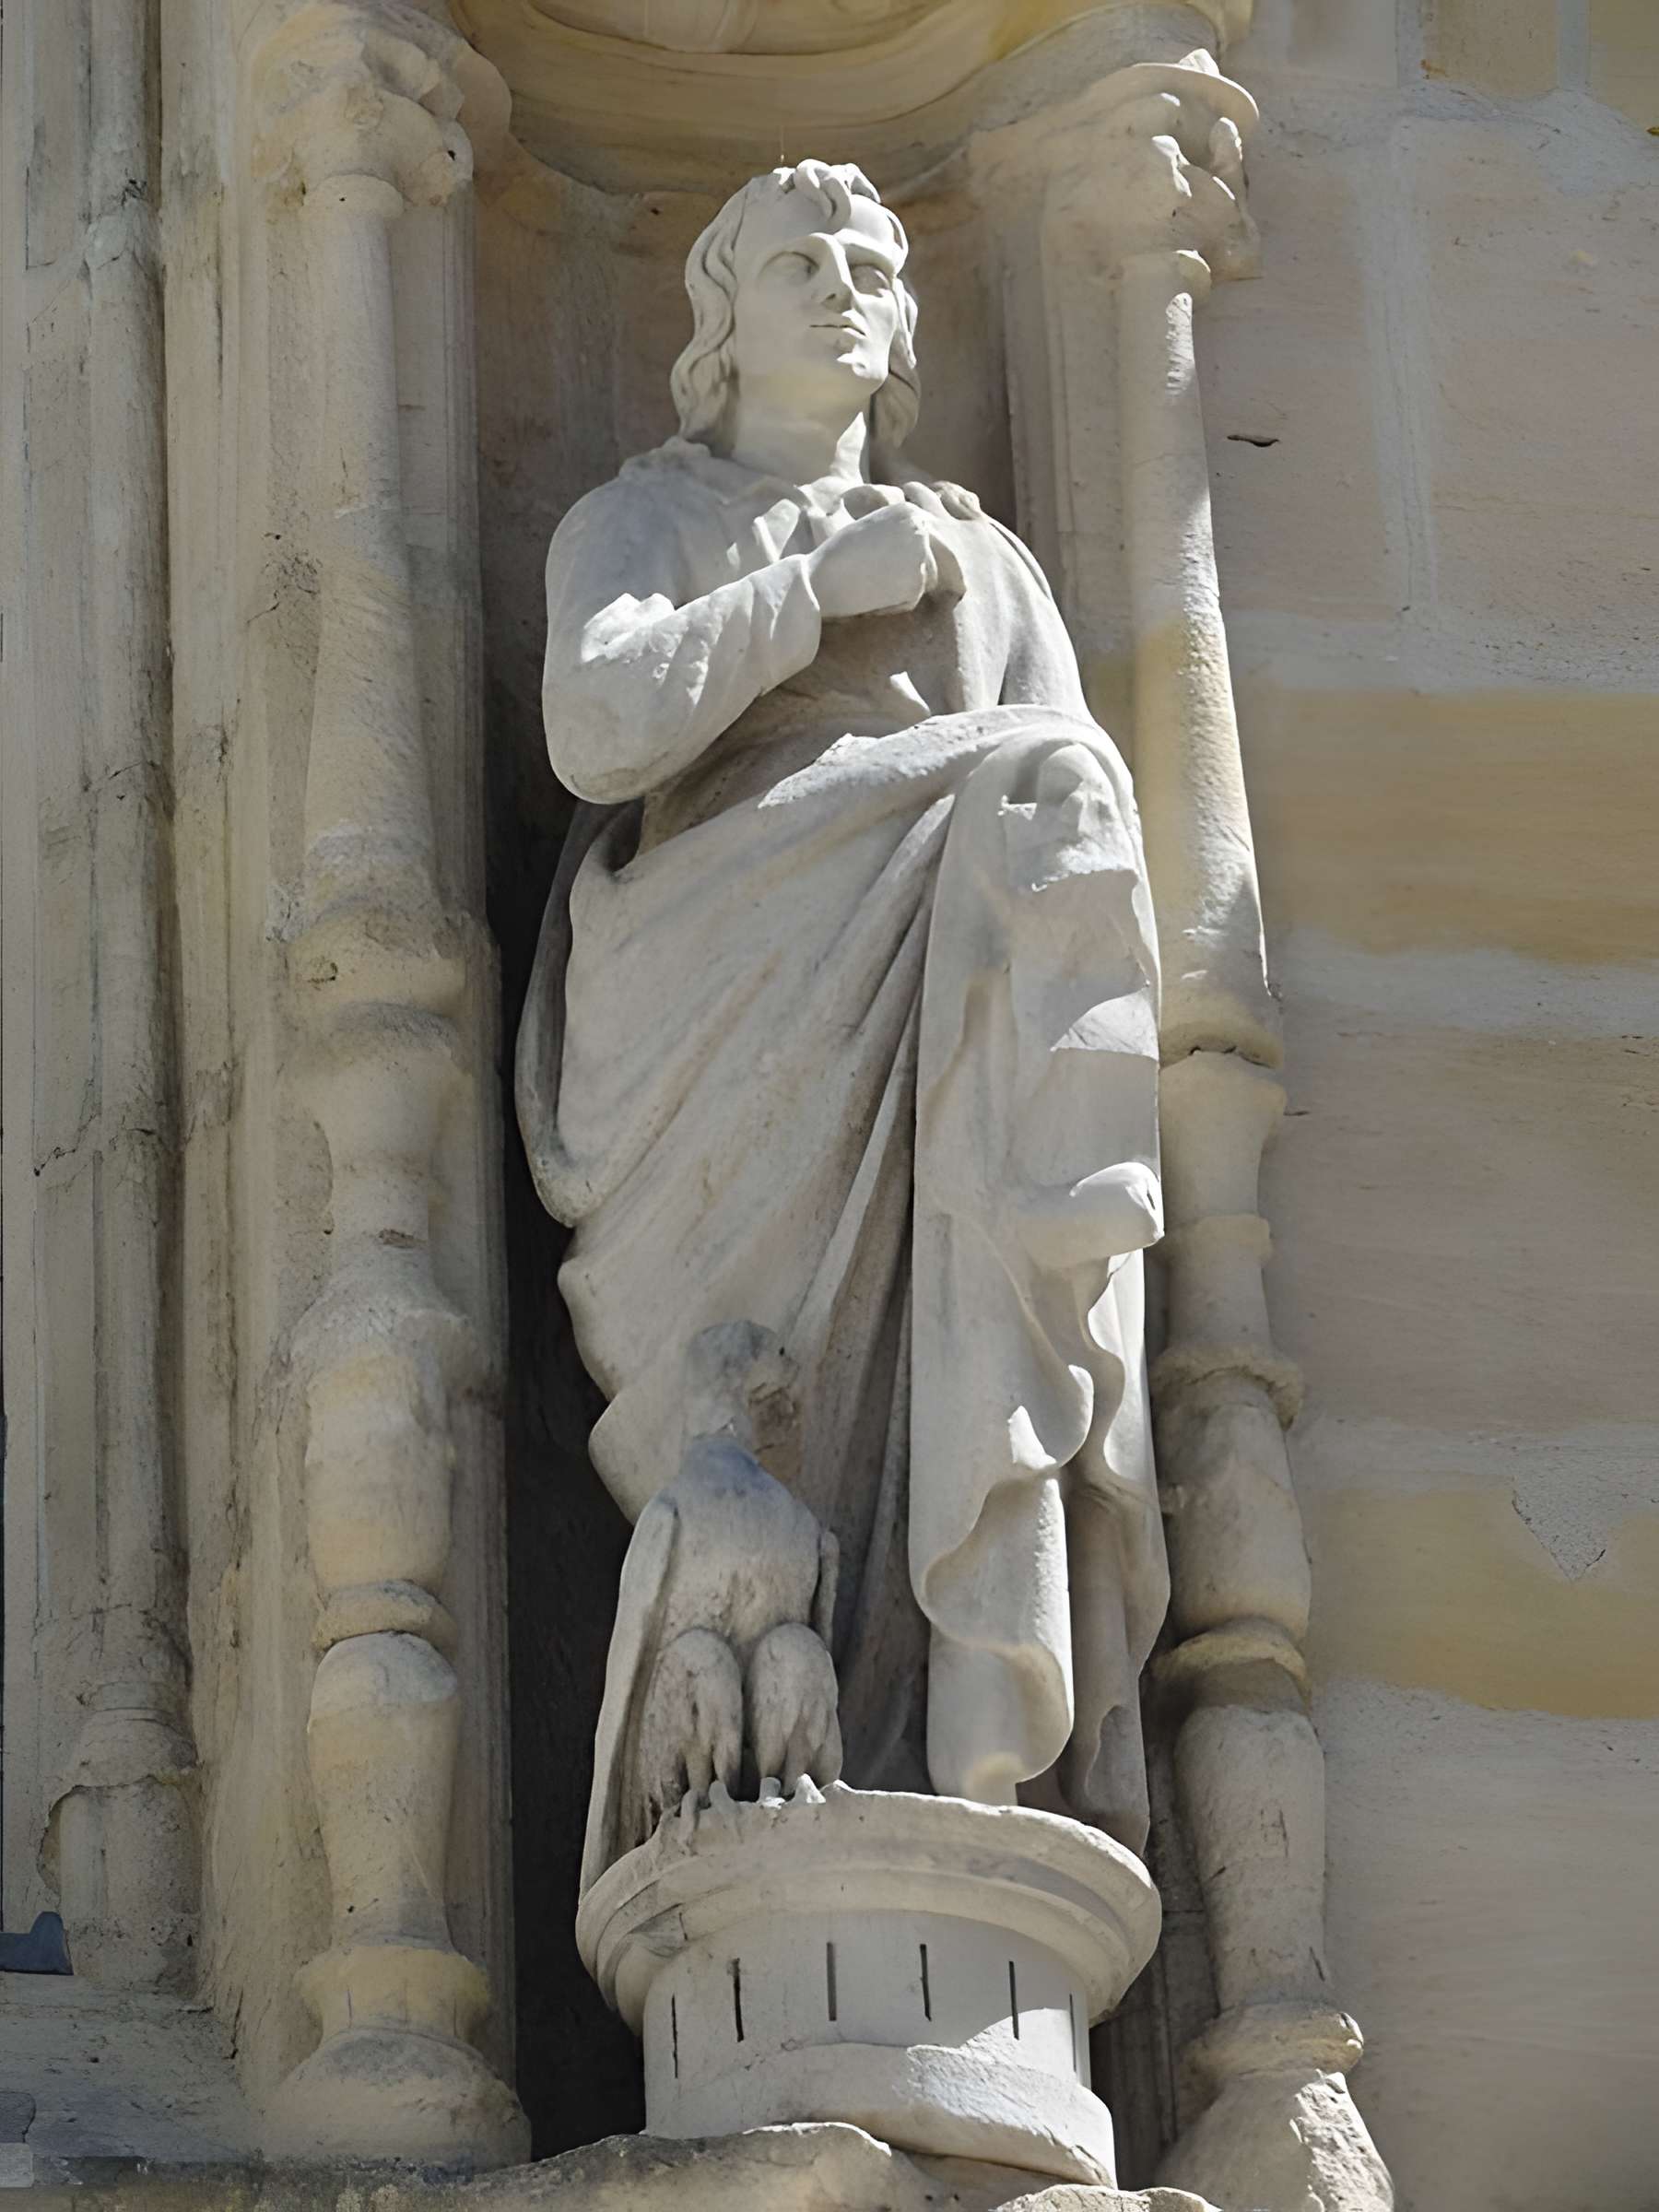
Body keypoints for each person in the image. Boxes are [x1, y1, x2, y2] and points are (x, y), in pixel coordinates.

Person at [517, 159, 1168, 1855]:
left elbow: (1065, 806)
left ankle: (945, 1733)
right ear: (721, 324)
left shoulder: (989, 568)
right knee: (747, 1439)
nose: (841, 290)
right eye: (797, 264)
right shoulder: (642, 523)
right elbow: (597, 726)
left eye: (872, 268)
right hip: (713, 1014)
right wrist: (813, 593)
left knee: (1054, 781)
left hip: (947, 1049)